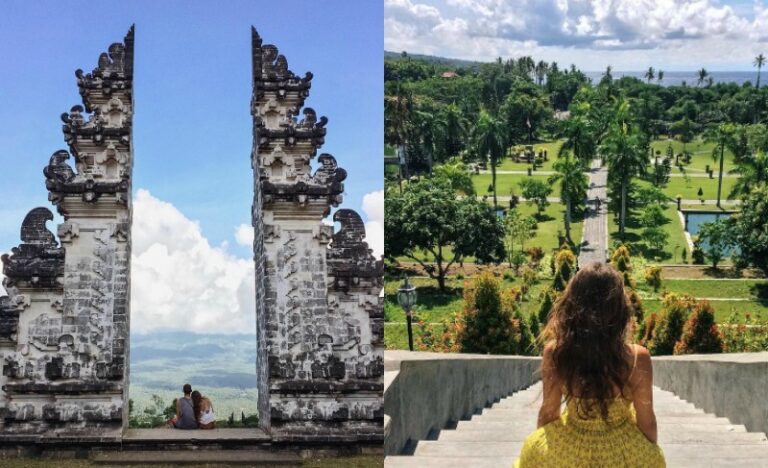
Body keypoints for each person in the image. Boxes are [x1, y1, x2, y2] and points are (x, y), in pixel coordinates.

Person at [516, 262, 665, 467]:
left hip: (570, 450)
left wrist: (542, 455)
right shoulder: (638, 357)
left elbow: (549, 413)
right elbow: (646, 421)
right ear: (619, 309)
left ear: (572, 303)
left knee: (532, 453)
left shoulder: (556, 352)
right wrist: (650, 455)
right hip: (621, 451)